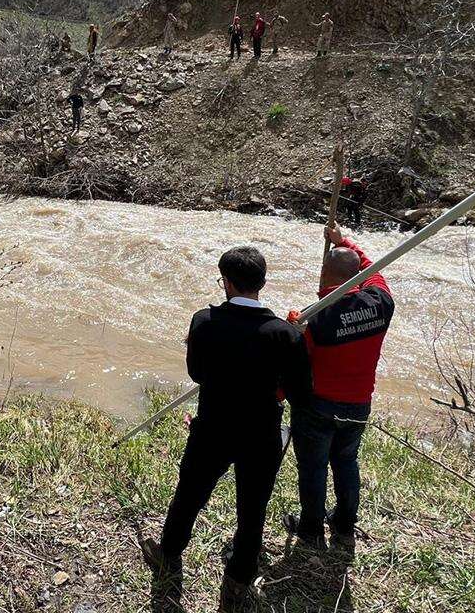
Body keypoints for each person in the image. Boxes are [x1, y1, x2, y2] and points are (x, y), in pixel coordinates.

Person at [143, 247, 311, 610]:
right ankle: (237, 582)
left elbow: (197, 374)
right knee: (253, 511)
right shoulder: (286, 335)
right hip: (262, 434)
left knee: (189, 494)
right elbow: (301, 393)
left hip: (213, 429)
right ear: (262, 283)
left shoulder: (204, 321)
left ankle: (168, 553)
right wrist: (296, 342)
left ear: (227, 283)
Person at [286, 225, 394, 550]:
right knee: (346, 462)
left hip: (319, 406)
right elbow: (371, 267)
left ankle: (311, 530)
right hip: (359, 405)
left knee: (313, 466)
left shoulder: (315, 320)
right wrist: (345, 241)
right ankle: (345, 525)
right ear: (356, 277)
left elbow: (297, 364)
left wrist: (293, 328)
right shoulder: (381, 302)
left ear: (323, 275)